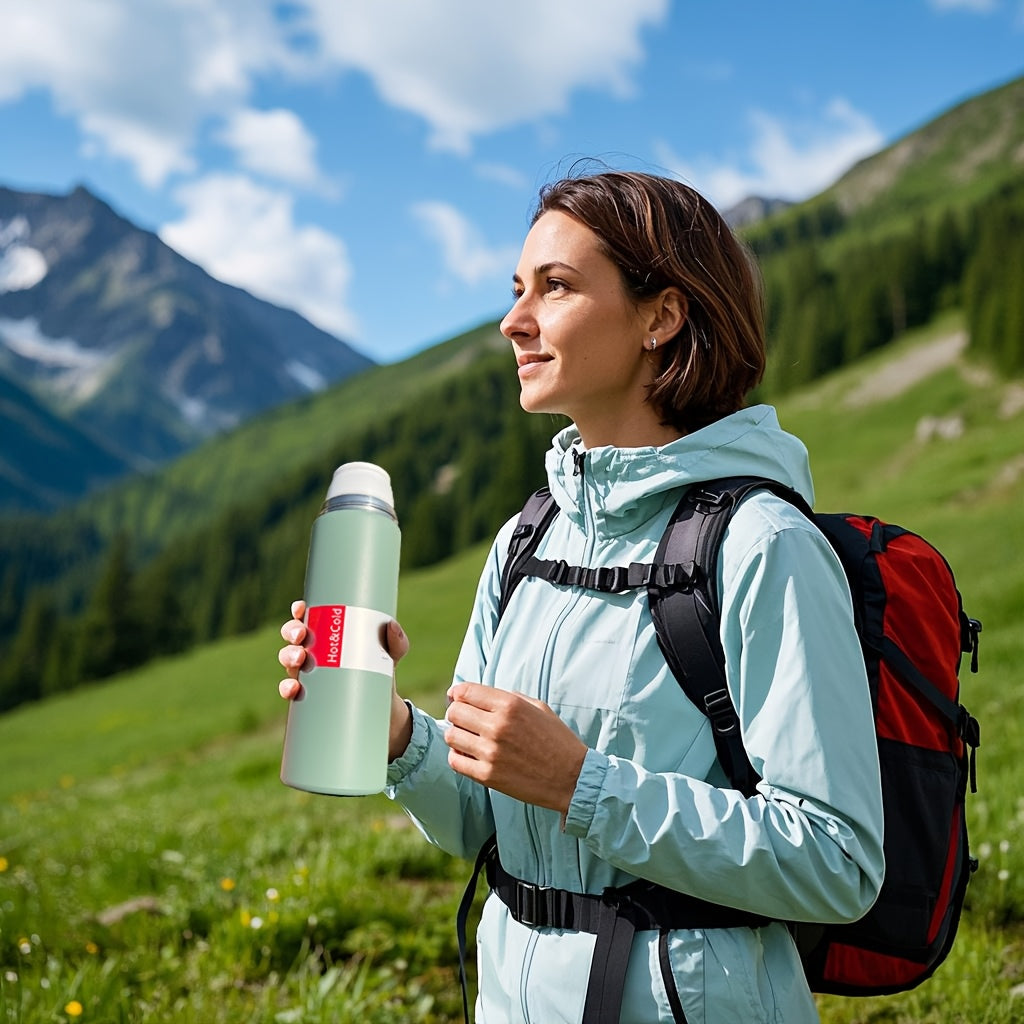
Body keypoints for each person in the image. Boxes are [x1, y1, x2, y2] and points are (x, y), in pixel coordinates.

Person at [278, 169, 885, 1023]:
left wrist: (581, 784)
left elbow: (836, 862)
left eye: (555, 286)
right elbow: (482, 823)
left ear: (661, 316)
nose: (513, 321)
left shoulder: (762, 544)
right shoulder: (527, 539)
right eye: (516, 290)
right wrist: (400, 736)